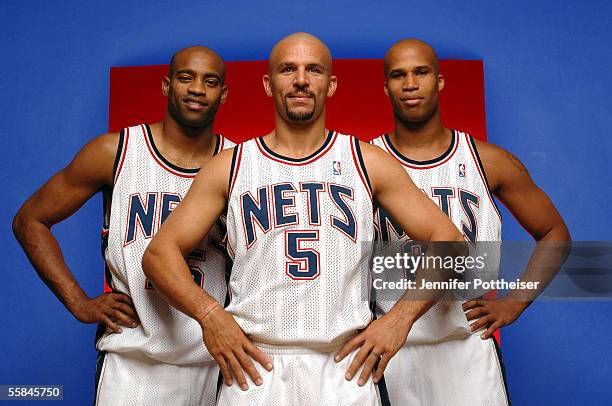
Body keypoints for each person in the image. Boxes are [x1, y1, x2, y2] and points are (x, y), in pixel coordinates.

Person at [142, 32, 466, 406]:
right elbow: (157, 255)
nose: (300, 80)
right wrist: (210, 315)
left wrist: (400, 319)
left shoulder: (367, 161)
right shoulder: (230, 166)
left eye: (313, 69)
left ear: (331, 84)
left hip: (345, 366)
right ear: (268, 84)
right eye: (287, 69)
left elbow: (451, 240)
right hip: (253, 366)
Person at [12, 46, 234, 405]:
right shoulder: (116, 152)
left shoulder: (237, 164)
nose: (196, 89)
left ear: (223, 94)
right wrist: (80, 303)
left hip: (213, 360)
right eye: (185, 77)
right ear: (166, 86)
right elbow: (30, 220)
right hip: (132, 361)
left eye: (209, 81)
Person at [372, 38, 571, 405]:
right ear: (386, 87)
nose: (411, 84)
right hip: (393, 350)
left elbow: (554, 233)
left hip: (466, 349)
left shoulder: (488, 161)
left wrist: (515, 302)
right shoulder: (366, 165)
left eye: (421, 72)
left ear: (440, 81)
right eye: (399, 75)